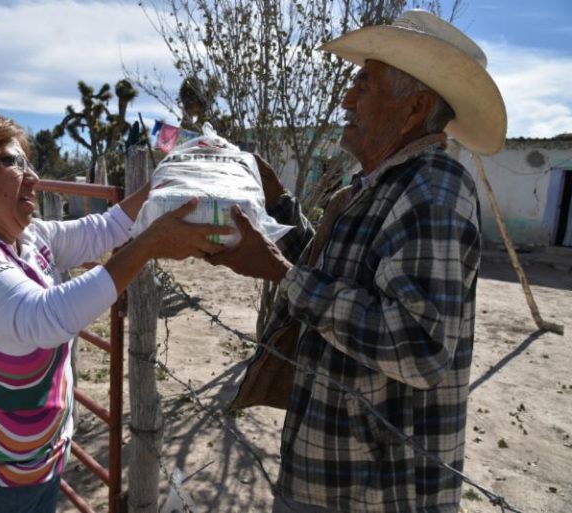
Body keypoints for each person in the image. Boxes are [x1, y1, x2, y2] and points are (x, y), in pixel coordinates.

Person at [207, 10, 506, 513]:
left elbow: (421, 346)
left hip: (376, 491)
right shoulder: (379, 185)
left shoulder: (432, 190)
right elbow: (334, 272)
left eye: (363, 84)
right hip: (336, 475)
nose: (345, 98)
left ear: (415, 107)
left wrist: (282, 274)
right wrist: (278, 204)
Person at [0, 110, 231, 513]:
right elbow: (45, 318)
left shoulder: (27, 239)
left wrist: (174, 179)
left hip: (37, 467)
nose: (32, 177)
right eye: (13, 163)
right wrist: (150, 244)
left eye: (29, 163)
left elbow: (110, 225)